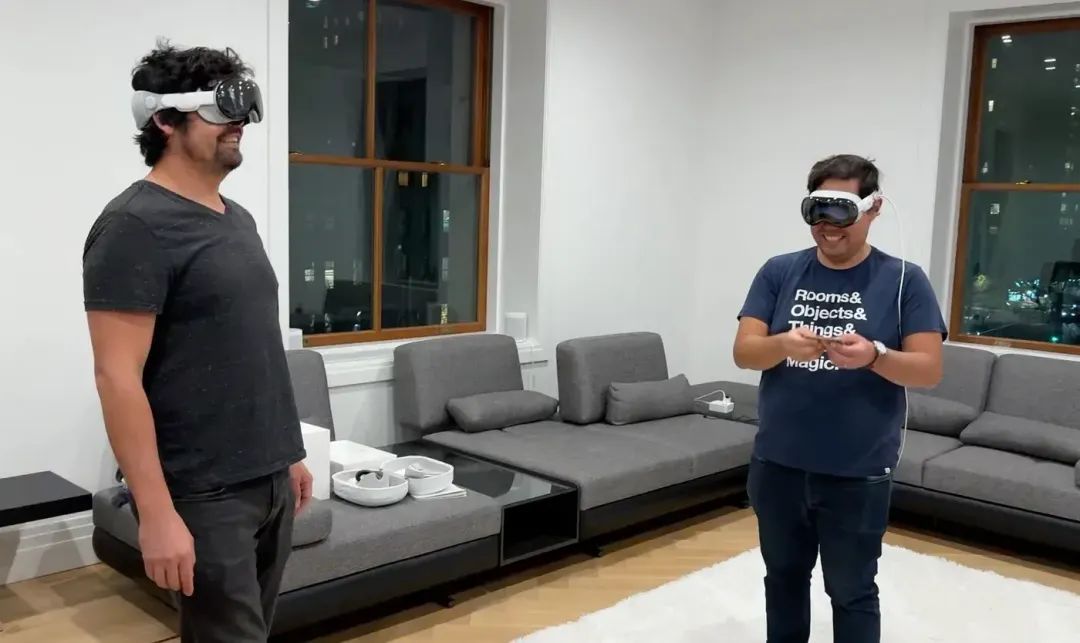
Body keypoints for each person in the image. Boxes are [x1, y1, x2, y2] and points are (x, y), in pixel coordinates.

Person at [83, 42, 312, 642]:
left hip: (267, 477)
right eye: (220, 110)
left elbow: (250, 349)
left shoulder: (237, 219)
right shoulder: (134, 226)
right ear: (164, 119)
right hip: (205, 493)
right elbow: (116, 377)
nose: (240, 122)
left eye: (244, 108)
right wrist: (157, 513)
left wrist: (286, 455)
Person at [732, 154, 946, 643]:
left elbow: (929, 369)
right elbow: (745, 353)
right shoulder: (778, 271)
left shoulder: (905, 280)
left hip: (857, 472)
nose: (828, 227)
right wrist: (782, 345)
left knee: (851, 591)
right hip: (778, 465)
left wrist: (875, 356)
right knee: (783, 580)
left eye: (842, 212)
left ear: (873, 209)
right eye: (817, 212)